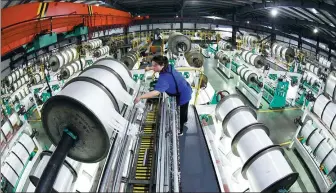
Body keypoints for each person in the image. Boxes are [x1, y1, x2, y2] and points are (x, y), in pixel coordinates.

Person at [134, 55, 192, 136]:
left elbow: (156, 92)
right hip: (185, 88)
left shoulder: (164, 78)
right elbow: (158, 67)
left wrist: (140, 97)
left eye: (154, 65)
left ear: (162, 65)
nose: (153, 67)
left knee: (182, 112)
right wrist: (150, 68)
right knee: (185, 109)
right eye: (152, 65)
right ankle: (185, 120)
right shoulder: (168, 67)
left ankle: (180, 130)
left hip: (183, 95)